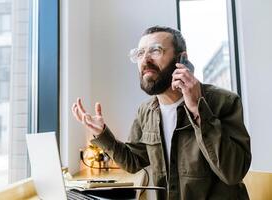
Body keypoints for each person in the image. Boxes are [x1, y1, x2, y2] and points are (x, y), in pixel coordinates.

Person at [72, 26, 251, 200]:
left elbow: (233, 173)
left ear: (182, 59)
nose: (145, 59)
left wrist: (198, 109)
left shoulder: (224, 101)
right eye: (140, 53)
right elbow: (133, 161)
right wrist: (101, 133)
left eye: (155, 51)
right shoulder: (145, 111)